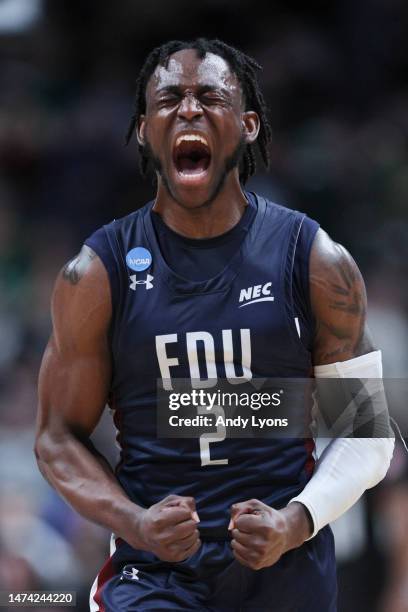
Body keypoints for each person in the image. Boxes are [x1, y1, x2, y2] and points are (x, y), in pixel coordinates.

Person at [35, 38, 394, 611]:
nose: (189, 110)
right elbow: (56, 438)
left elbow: (366, 434)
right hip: (156, 571)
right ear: (145, 129)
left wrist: (295, 521)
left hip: (285, 563)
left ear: (249, 125)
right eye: (169, 99)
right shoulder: (95, 274)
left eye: (209, 96)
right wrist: (135, 521)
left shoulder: (316, 260)